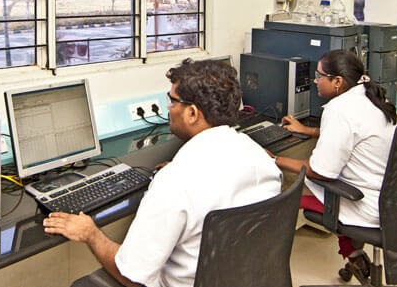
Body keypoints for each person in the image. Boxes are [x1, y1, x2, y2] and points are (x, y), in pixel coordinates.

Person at [43, 58, 282, 287]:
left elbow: (132, 277)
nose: (169, 109)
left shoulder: (175, 182)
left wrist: (91, 233)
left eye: (172, 102)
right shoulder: (260, 157)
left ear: (192, 113)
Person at [270, 49, 397, 280]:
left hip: (365, 203)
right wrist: (308, 131)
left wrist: (273, 159)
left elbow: (320, 172)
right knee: (325, 184)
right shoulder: (374, 99)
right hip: (394, 199)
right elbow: (355, 136)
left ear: (338, 81)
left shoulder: (339, 110)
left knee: (284, 193)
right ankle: (355, 255)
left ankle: (266, 267)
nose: (315, 80)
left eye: (319, 75)